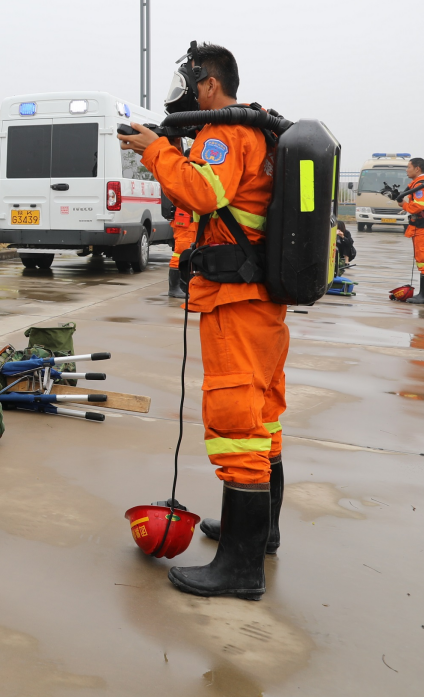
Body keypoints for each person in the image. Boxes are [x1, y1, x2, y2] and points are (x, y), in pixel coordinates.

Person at [120, 42, 285, 600]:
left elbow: (202, 191)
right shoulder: (255, 131)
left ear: (209, 84)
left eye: (189, 81)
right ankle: (259, 533)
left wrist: (156, 151)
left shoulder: (225, 132)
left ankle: (239, 569)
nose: (183, 92)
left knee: (237, 424)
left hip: (235, 302)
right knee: (263, 417)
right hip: (259, 302)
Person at [398, 157, 424, 304]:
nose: (406, 170)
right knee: (423, 261)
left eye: (408, 167)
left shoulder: (421, 186)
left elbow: (419, 206)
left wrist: (404, 205)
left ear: (417, 168)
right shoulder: (420, 184)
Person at [166, 203, 195, 299]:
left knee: (189, 253)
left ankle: (183, 286)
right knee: (181, 253)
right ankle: (174, 288)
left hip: (189, 222)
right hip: (186, 223)